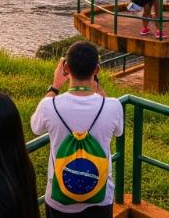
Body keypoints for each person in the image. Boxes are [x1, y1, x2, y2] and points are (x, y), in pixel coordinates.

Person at [31, 42, 124, 218]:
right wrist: (98, 88)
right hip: (100, 196)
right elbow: (119, 131)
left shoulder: (48, 105)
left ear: (66, 68)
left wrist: (55, 87)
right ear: (97, 70)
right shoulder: (113, 106)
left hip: (60, 198)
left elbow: (35, 128)